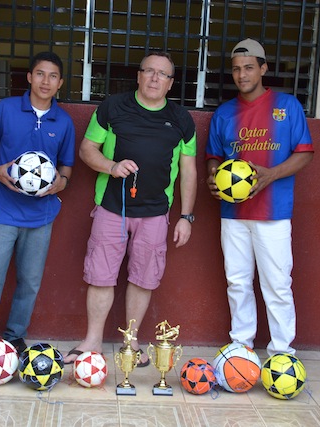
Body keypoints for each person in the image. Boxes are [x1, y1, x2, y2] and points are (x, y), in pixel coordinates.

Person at [63, 51, 197, 365]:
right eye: (148, 71)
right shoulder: (112, 107)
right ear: (138, 76)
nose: (154, 78)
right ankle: (92, 340)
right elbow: (87, 149)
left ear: (170, 83)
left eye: (162, 74)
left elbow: (188, 170)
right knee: (100, 276)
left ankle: (130, 342)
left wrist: (186, 216)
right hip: (112, 207)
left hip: (155, 213)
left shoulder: (181, 119)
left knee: (143, 278)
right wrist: (111, 166)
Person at [0, 51, 76, 367]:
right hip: (3, 211)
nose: (45, 81)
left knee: (30, 280)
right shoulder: (5, 109)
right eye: (39, 74)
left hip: (42, 214)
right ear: (29, 77)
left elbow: (66, 165)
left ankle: (13, 334)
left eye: (52, 76)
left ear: (60, 82)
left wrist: (61, 183)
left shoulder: (63, 121)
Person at [206, 39, 314, 357]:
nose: (242, 75)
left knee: (277, 283)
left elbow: (305, 154)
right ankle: (242, 343)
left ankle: (282, 350)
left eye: (249, 67)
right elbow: (212, 156)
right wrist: (213, 177)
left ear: (263, 68)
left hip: (274, 212)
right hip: (233, 212)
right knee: (237, 280)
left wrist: (270, 175)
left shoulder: (287, 106)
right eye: (237, 69)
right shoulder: (225, 113)